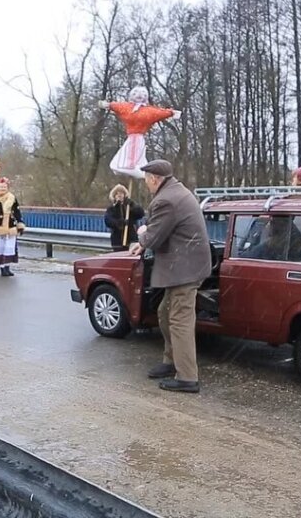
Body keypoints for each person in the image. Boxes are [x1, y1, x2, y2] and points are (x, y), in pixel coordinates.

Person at [130, 160, 211, 393]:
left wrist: (142, 239)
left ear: (155, 178)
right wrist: (144, 243)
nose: (146, 185)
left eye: (146, 180)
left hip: (185, 269)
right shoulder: (177, 191)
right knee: (165, 312)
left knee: (179, 320)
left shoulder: (166, 200)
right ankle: (171, 361)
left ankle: (187, 377)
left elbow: (155, 235)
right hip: (186, 265)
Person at [98, 86, 181, 178]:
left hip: (138, 136)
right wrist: (108, 105)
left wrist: (171, 112)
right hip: (133, 136)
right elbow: (117, 106)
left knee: (135, 151)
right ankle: (128, 167)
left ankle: (130, 167)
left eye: (142, 94)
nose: (139, 96)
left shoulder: (147, 110)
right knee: (131, 151)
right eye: (136, 94)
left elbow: (159, 112)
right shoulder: (128, 108)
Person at [0, 177, 25, 277]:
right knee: (0, 247)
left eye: (4, 187)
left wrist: (20, 223)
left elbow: (17, 211)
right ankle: (2, 267)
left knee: (9, 247)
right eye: (1, 187)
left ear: (7, 187)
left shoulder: (12, 198)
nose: (3, 188)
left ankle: (7, 267)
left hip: (10, 225)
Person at [104, 184, 145, 252]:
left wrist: (132, 204)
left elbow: (141, 213)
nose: (119, 195)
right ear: (114, 196)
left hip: (131, 239)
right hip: (117, 241)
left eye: (121, 193)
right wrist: (119, 223)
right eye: (117, 194)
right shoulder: (112, 209)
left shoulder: (129, 207)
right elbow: (108, 221)